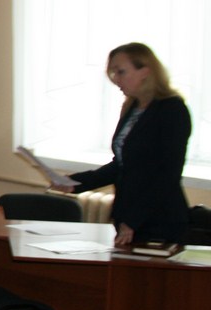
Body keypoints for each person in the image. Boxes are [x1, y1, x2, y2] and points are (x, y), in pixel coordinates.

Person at [57, 43, 191, 246]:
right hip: (127, 214)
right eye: (113, 73)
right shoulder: (133, 107)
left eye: (120, 72)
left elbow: (167, 174)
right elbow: (123, 165)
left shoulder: (172, 109)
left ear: (145, 71)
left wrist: (133, 220)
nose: (115, 79)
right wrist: (75, 182)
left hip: (158, 219)